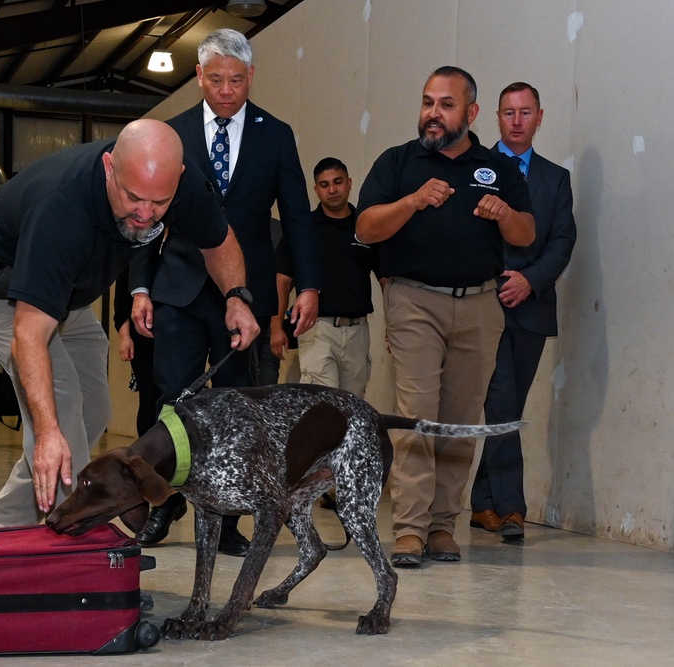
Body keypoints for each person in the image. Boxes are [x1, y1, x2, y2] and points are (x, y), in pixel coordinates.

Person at [0, 118, 260, 528]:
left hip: (67, 295)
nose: (146, 215)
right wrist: (46, 434)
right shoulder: (61, 207)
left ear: (179, 178)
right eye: (133, 198)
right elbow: (29, 331)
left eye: (159, 203)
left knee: (94, 409)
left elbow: (218, 242)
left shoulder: (176, 183)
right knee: (59, 420)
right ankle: (45, 546)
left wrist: (236, 296)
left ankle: (5, 527)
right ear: (110, 167)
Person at [131, 28, 321, 556]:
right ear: (198, 76)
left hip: (248, 295)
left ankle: (229, 518)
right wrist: (140, 287)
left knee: (237, 405)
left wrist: (308, 285)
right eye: (215, 79)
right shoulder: (172, 133)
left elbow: (298, 217)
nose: (226, 90)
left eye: (236, 80)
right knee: (174, 400)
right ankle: (164, 503)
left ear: (251, 77)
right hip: (180, 289)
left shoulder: (276, 135)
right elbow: (148, 213)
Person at [355, 66, 535, 567]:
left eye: (446, 105)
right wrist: (412, 201)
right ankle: (409, 528)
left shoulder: (498, 169)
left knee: (458, 419)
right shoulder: (397, 162)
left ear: (471, 113)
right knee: (417, 413)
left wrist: (505, 214)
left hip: (480, 305)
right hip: (414, 301)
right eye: (427, 102)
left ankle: (442, 526)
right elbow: (366, 228)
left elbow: (526, 235)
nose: (433, 113)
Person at [469, 82, 577, 541]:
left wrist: (530, 279)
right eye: (508, 113)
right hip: (482, 306)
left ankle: (481, 504)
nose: (516, 120)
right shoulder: (475, 169)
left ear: (539, 117)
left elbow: (562, 240)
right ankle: (512, 509)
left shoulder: (555, 179)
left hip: (531, 307)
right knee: (502, 405)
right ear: (496, 117)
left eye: (525, 112)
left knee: (506, 407)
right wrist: (494, 279)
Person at [272, 157, 384, 398]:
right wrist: (275, 327)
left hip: (358, 331)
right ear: (316, 190)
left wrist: (396, 324)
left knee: (353, 408)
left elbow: (385, 278)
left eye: (337, 182)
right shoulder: (303, 229)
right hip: (317, 329)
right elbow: (282, 281)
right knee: (322, 407)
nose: (332, 189)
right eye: (324, 185)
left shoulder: (365, 227)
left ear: (349, 183)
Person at [112, 268, 160, 438]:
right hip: (142, 338)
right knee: (148, 398)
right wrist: (125, 338)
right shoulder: (136, 254)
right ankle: (147, 453)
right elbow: (121, 305)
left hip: (175, 335)